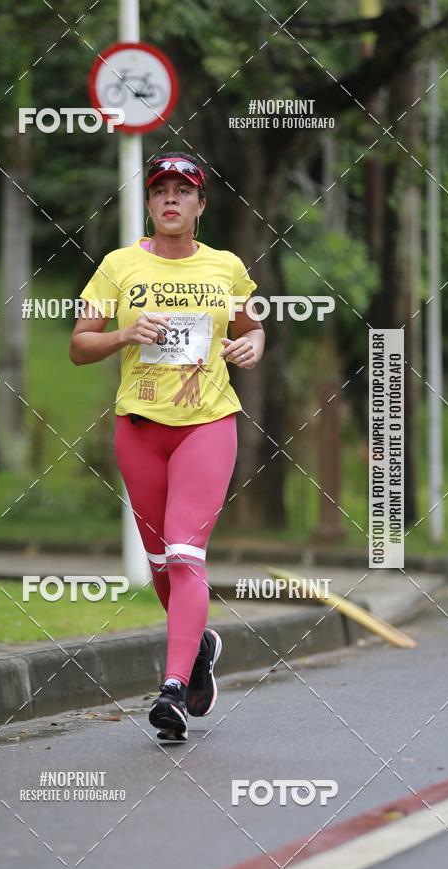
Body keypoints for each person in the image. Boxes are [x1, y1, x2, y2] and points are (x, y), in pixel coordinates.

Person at [70, 152, 264, 741]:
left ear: (201, 207)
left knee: (184, 552)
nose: (172, 199)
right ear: (150, 203)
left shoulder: (225, 267)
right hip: (139, 430)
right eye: (161, 191)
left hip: (208, 424)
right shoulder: (117, 266)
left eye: (184, 191)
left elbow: (251, 326)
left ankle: (173, 689)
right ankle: (200, 644)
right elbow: (79, 344)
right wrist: (124, 333)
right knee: (161, 566)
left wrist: (253, 344)